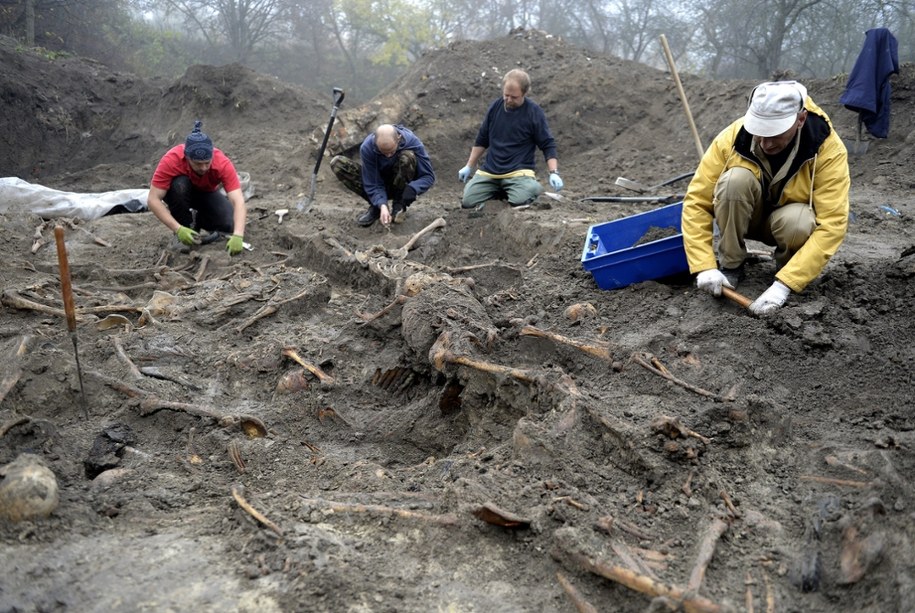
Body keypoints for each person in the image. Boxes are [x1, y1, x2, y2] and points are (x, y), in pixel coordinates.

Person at [681, 80, 850, 315]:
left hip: (785, 224)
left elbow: (832, 224)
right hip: (744, 215)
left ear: (800, 120)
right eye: (759, 133)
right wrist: (704, 265)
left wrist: (786, 284)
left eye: (775, 134)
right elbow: (697, 201)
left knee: (800, 221)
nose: (765, 143)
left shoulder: (827, 150)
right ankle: (731, 264)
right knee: (734, 181)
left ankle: (784, 272)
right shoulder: (732, 137)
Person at [458, 68, 563, 211]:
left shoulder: (533, 112)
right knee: (468, 202)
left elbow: (547, 144)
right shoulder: (495, 107)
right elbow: (482, 139)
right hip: (490, 172)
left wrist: (554, 173)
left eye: (514, 97)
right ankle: (500, 190)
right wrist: (469, 166)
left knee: (520, 200)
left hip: (519, 173)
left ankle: (533, 189)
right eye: (506, 95)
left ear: (524, 93)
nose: (508, 100)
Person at [147, 120, 247, 255]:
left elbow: (238, 200)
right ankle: (184, 228)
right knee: (179, 185)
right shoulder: (171, 160)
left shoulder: (222, 163)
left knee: (229, 223)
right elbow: (153, 200)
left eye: (207, 163)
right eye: (198, 164)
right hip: (180, 193)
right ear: (187, 158)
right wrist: (178, 229)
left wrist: (238, 235)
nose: (204, 168)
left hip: (206, 193)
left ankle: (197, 221)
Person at [330, 123, 435, 227]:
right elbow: (372, 181)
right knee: (338, 164)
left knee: (407, 156)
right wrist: (382, 205)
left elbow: (428, 176)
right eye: (383, 153)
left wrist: (413, 188)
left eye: (391, 152)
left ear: (399, 138)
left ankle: (398, 204)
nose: (388, 156)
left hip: (400, 183)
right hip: (378, 182)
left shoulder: (412, 142)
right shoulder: (367, 147)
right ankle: (376, 207)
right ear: (375, 142)